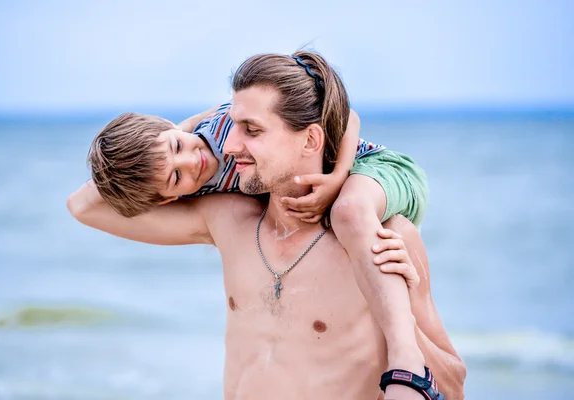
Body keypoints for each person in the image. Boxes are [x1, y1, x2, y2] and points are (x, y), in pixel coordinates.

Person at [68, 50, 465, 399]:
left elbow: (453, 385)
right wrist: (177, 130)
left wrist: (400, 324)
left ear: (310, 140)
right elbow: (83, 205)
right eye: (235, 126)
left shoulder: (383, 238)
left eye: (252, 130)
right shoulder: (225, 219)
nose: (228, 145)